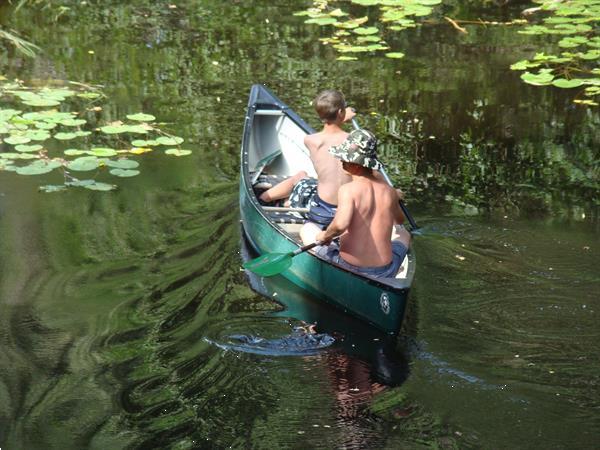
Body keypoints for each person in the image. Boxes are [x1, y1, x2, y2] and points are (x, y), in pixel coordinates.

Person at [314, 128, 411, 278]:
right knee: (404, 234)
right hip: (386, 269)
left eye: (345, 158)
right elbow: (399, 221)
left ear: (357, 164)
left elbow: (340, 225)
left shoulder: (348, 190)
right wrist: (393, 198)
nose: (341, 161)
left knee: (307, 229)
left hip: (349, 267)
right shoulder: (389, 191)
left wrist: (325, 236)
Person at [257, 90, 356, 231]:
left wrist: (339, 117)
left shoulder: (311, 141)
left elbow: (329, 135)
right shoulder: (355, 141)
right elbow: (340, 138)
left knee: (301, 176)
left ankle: (264, 199)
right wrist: (343, 117)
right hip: (348, 208)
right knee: (310, 180)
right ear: (341, 112)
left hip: (321, 210)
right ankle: (286, 201)